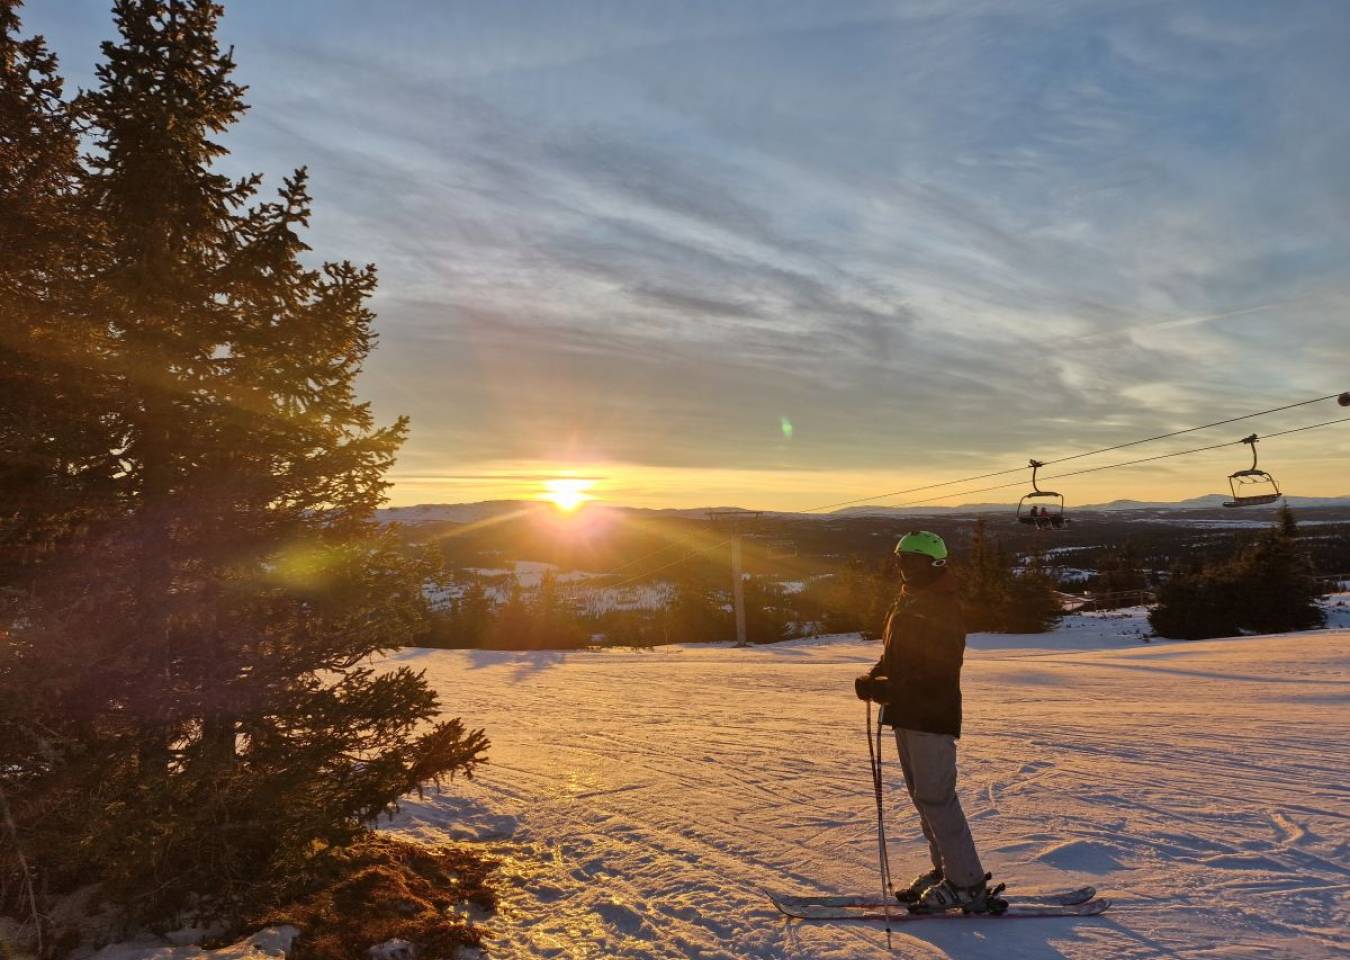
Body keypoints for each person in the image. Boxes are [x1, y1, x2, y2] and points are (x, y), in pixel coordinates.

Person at [855, 530, 996, 913]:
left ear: (934, 564)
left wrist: (890, 689)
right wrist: (875, 678)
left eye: (911, 561)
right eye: (900, 559)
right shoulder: (910, 600)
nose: (903, 567)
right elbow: (897, 655)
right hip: (907, 714)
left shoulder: (941, 607)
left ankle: (966, 883)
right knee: (925, 800)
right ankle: (946, 871)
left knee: (937, 798)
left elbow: (939, 668)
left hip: (931, 716)